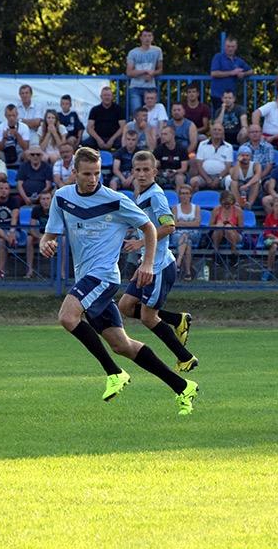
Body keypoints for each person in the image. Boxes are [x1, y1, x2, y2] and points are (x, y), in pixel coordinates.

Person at [39, 147, 198, 414]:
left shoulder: (115, 200)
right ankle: (183, 386)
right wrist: (46, 244)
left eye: (97, 173)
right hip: (86, 276)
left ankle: (114, 373)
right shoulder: (62, 197)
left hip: (104, 276)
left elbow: (149, 227)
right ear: (74, 172)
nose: (93, 179)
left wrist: (147, 264)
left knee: (67, 316)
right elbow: (50, 234)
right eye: (87, 174)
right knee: (122, 345)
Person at [117, 151, 198, 372]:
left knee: (148, 317)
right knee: (125, 306)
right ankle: (178, 320)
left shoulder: (155, 196)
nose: (142, 174)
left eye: (146, 170)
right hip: (149, 263)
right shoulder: (141, 195)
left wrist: (140, 243)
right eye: (138, 170)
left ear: (155, 171)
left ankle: (186, 358)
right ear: (132, 172)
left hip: (159, 266)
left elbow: (169, 226)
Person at [209, 37, 253, 111]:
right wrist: (232, 73)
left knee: (231, 117)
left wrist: (243, 74)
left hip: (231, 97)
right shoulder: (218, 57)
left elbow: (251, 71)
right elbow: (214, 73)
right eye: (228, 46)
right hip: (218, 95)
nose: (230, 49)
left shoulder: (238, 60)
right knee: (218, 116)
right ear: (224, 46)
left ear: (236, 47)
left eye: (232, 46)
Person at [125, 29, 164, 114]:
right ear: (141, 38)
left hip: (150, 87)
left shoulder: (157, 51)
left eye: (149, 36)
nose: (147, 38)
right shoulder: (133, 52)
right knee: (137, 114)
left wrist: (153, 73)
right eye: (145, 36)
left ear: (152, 38)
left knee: (152, 114)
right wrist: (145, 71)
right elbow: (129, 72)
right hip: (135, 87)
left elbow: (160, 69)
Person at [0, 181, 19, 279]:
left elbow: (14, 217)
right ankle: (9, 240)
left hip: (11, 230)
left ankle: (0, 271)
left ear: (9, 190)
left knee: (2, 240)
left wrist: (12, 232)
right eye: (1, 188)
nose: (3, 191)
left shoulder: (14, 200)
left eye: (6, 188)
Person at [190, 122, 233, 191]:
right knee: (193, 181)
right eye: (214, 129)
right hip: (204, 176)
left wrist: (219, 178)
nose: (217, 132)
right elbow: (199, 165)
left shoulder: (229, 146)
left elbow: (228, 167)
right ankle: (196, 197)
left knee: (230, 180)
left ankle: (227, 197)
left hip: (221, 177)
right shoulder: (202, 144)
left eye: (219, 130)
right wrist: (207, 179)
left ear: (223, 133)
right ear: (210, 132)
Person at [172, 185, 201, 282]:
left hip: (193, 234)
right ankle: (188, 273)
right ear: (179, 195)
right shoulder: (175, 208)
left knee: (185, 235)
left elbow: (197, 224)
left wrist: (181, 223)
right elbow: (174, 223)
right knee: (187, 242)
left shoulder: (196, 208)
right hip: (177, 235)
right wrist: (189, 224)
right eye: (182, 193)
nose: (184, 196)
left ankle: (178, 263)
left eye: (187, 193)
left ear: (190, 195)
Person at [83, 86, 125, 151]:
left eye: (109, 95)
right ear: (101, 97)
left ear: (112, 97)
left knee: (124, 144)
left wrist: (112, 140)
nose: (107, 97)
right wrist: (98, 140)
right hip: (98, 137)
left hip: (115, 138)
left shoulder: (119, 109)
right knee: (85, 144)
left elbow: (123, 127)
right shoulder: (95, 110)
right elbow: (89, 128)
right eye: (105, 95)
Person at [25, 190, 53, 279]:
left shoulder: (56, 209)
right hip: (41, 235)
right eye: (43, 199)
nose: (45, 201)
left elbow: (62, 228)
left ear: (52, 200)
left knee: (64, 240)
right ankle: (29, 270)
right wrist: (41, 237)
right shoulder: (36, 209)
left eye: (48, 199)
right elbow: (31, 228)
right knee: (29, 239)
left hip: (54, 236)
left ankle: (62, 272)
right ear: (39, 201)